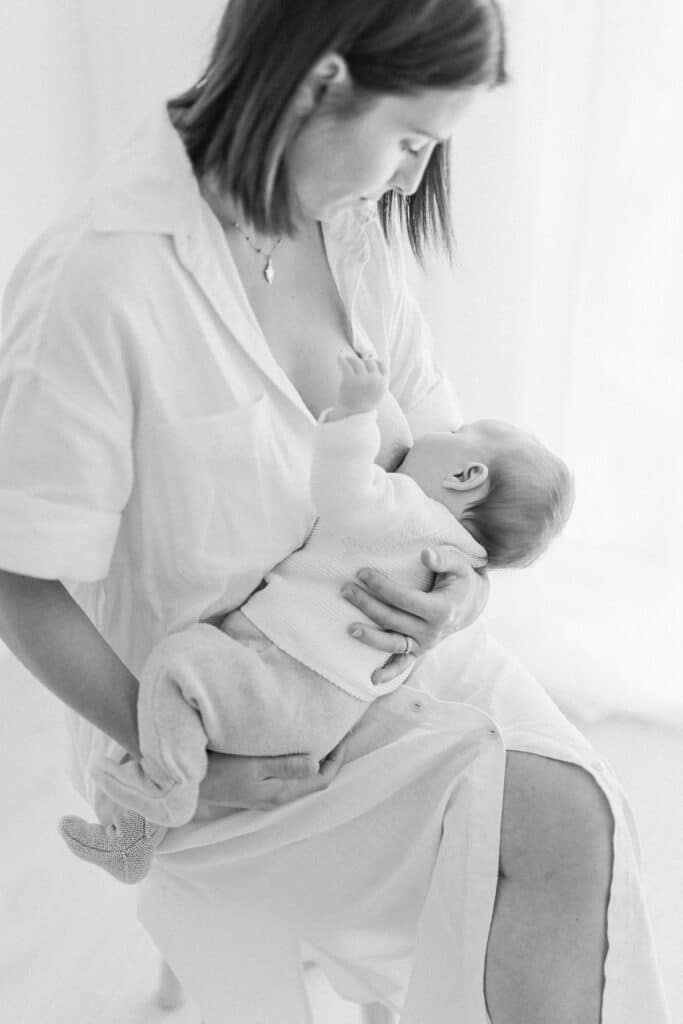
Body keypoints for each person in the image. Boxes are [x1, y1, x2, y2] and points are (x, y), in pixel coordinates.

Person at [0, 1, 669, 1022]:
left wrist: (457, 591)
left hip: (381, 664)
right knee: (553, 826)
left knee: (579, 807)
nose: (410, 179)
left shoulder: (348, 232)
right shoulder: (102, 278)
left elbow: (443, 459)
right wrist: (180, 758)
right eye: (409, 138)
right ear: (318, 82)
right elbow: (20, 573)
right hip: (225, 720)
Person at [58, 353, 574, 884]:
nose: (440, 431)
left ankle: (160, 803)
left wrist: (354, 412)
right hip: (325, 716)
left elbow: (342, 488)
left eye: (461, 431)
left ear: (466, 475)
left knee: (174, 667)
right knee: (190, 702)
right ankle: (139, 812)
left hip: (284, 675)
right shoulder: (460, 561)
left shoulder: (406, 509)